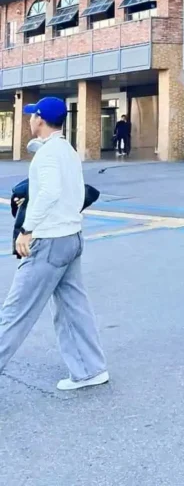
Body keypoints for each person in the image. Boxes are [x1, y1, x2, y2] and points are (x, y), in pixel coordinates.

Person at [0, 97, 109, 392]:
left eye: (31, 115)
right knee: (73, 307)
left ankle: (88, 369)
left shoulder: (48, 155)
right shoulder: (67, 150)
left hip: (48, 242)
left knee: (15, 312)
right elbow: (70, 192)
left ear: (40, 119)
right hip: (71, 238)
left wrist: (26, 229)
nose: (29, 120)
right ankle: (89, 369)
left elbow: (48, 193)